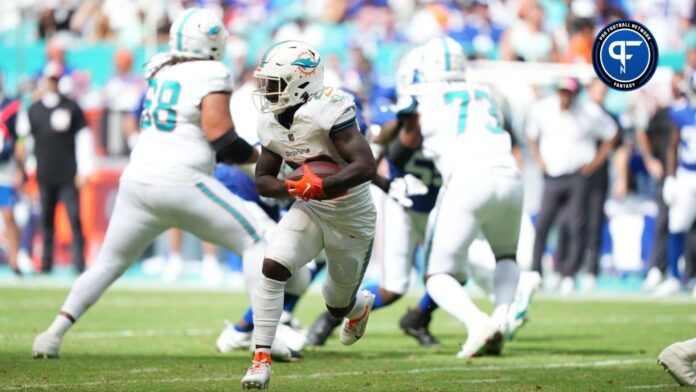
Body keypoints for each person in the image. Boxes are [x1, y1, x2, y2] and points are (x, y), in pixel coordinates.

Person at [32, 8, 265, 359]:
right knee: (257, 240)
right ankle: (265, 337)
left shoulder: (161, 67)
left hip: (138, 180)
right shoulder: (211, 71)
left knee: (107, 265)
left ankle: (52, 334)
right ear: (213, 42)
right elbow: (225, 142)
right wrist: (262, 160)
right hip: (183, 180)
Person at [241, 40, 377, 390]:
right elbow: (263, 179)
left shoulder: (328, 110)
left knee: (336, 305)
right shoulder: (271, 121)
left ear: (300, 82)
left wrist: (321, 186)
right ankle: (261, 359)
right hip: (311, 208)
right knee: (272, 267)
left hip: (351, 216)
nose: (266, 90)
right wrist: (297, 188)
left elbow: (365, 166)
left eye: (273, 83)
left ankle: (356, 307)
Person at [397, 37, 522, 358]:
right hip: (510, 176)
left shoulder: (421, 93)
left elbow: (403, 147)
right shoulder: (485, 91)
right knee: (506, 256)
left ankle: (479, 323)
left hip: (467, 178)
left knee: (437, 275)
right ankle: (502, 318)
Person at [526, 78, 617, 292]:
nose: (566, 97)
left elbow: (611, 133)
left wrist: (596, 162)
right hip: (553, 175)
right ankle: (535, 272)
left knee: (576, 225)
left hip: (577, 176)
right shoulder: (544, 109)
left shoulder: (589, 112)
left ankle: (568, 272)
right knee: (543, 225)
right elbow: (530, 134)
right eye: (563, 92)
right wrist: (538, 159)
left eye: (570, 93)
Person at [28, 62, 88, 274]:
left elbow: (83, 137)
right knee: (46, 221)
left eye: (55, 79)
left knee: (74, 218)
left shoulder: (71, 107)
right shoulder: (34, 110)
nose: (52, 83)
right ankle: (46, 264)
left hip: (68, 173)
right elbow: (29, 141)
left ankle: (79, 262)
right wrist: (30, 167)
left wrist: (84, 168)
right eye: (50, 79)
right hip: (45, 173)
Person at [662, 71, 696, 297]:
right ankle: (674, 276)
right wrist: (670, 177)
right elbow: (672, 146)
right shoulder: (680, 113)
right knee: (676, 225)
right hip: (686, 174)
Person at [0, 73, 24, 276]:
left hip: (4, 167)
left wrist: (19, 168)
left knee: (8, 214)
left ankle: (15, 259)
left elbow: (20, 139)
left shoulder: (12, 107)